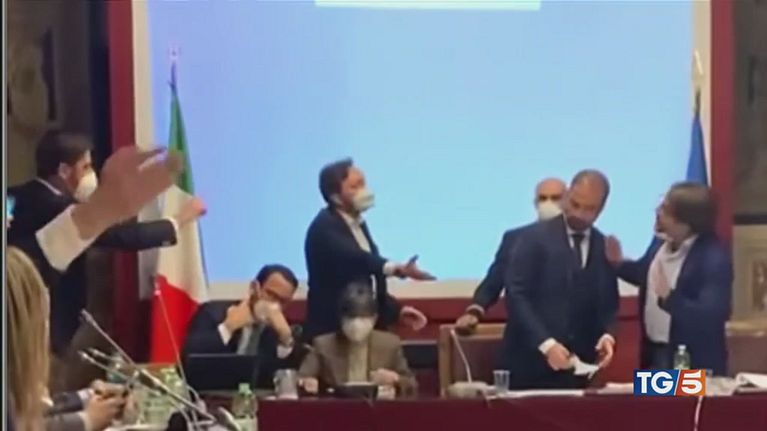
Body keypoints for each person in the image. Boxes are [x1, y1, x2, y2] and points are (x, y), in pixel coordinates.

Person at [8, 131, 206, 382]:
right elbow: (120, 236)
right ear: (64, 170)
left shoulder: (15, 195)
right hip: (39, 324)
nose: (92, 175)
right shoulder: (55, 207)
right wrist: (177, 221)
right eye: (86, 167)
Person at [503, 170, 619, 389]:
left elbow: (608, 303)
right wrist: (546, 345)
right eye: (575, 204)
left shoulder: (602, 245)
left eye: (589, 209)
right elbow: (517, 295)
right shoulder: (532, 238)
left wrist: (607, 336)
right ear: (566, 197)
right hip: (530, 367)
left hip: (579, 371)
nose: (579, 214)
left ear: (601, 208)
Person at [605, 182, 732, 374]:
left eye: (665, 209)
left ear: (685, 222)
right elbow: (646, 276)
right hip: (653, 352)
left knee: (678, 397)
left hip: (689, 360)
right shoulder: (659, 242)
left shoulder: (713, 258)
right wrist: (619, 265)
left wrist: (670, 299)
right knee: (647, 395)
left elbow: (710, 316)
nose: (657, 212)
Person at [304, 158, 434, 340]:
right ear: (335, 197)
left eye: (363, 184)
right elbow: (357, 260)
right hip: (334, 336)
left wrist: (396, 311)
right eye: (355, 187)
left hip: (364, 332)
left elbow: (368, 281)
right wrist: (397, 269)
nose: (364, 191)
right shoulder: (325, 227)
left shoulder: (357, 224)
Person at [455, 177, 566, 332]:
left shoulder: (581, 239)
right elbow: (494, 279)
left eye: (555, 198)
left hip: (568, 333)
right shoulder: (515, 238)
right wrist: (475, 311)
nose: (548, 203)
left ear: (568, 201)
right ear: (535, 203)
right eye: (542, 198)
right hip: (524, 333)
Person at [182, 265, 302, 388]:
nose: (275, 305)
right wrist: (228, 328)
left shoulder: (282, 329)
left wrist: (285, 340)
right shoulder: (213, 313)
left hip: (258, 396)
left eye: (283, 301)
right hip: (210, 393)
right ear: (254, 288)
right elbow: (188, 356)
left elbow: (286, 380)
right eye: (271, 295)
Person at [299, 282, 417, 397]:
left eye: (363, 318)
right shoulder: (323, 344)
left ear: (374, 319)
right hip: (337, 406)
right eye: (351, 318)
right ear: (341, 319)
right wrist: (306, 382)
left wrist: (395, 379)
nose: (356, 324)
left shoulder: (390, 343)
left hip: (377, 406)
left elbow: (412, 384)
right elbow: (301, 377)